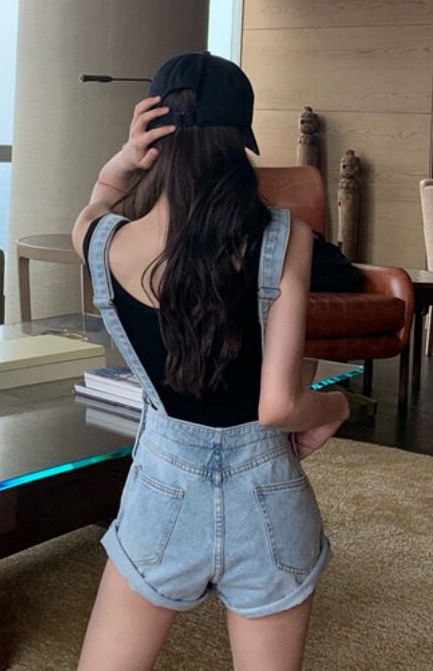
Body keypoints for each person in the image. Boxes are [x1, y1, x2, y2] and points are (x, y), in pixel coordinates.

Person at [71, 51, 349, 671]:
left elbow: (98, 202)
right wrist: (336, 406)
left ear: (154, 138)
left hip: (161, 492)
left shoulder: (104, 242)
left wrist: (123, 161)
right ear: (239, 141)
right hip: (267, 493)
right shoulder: (286, 238)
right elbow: (279, 407)